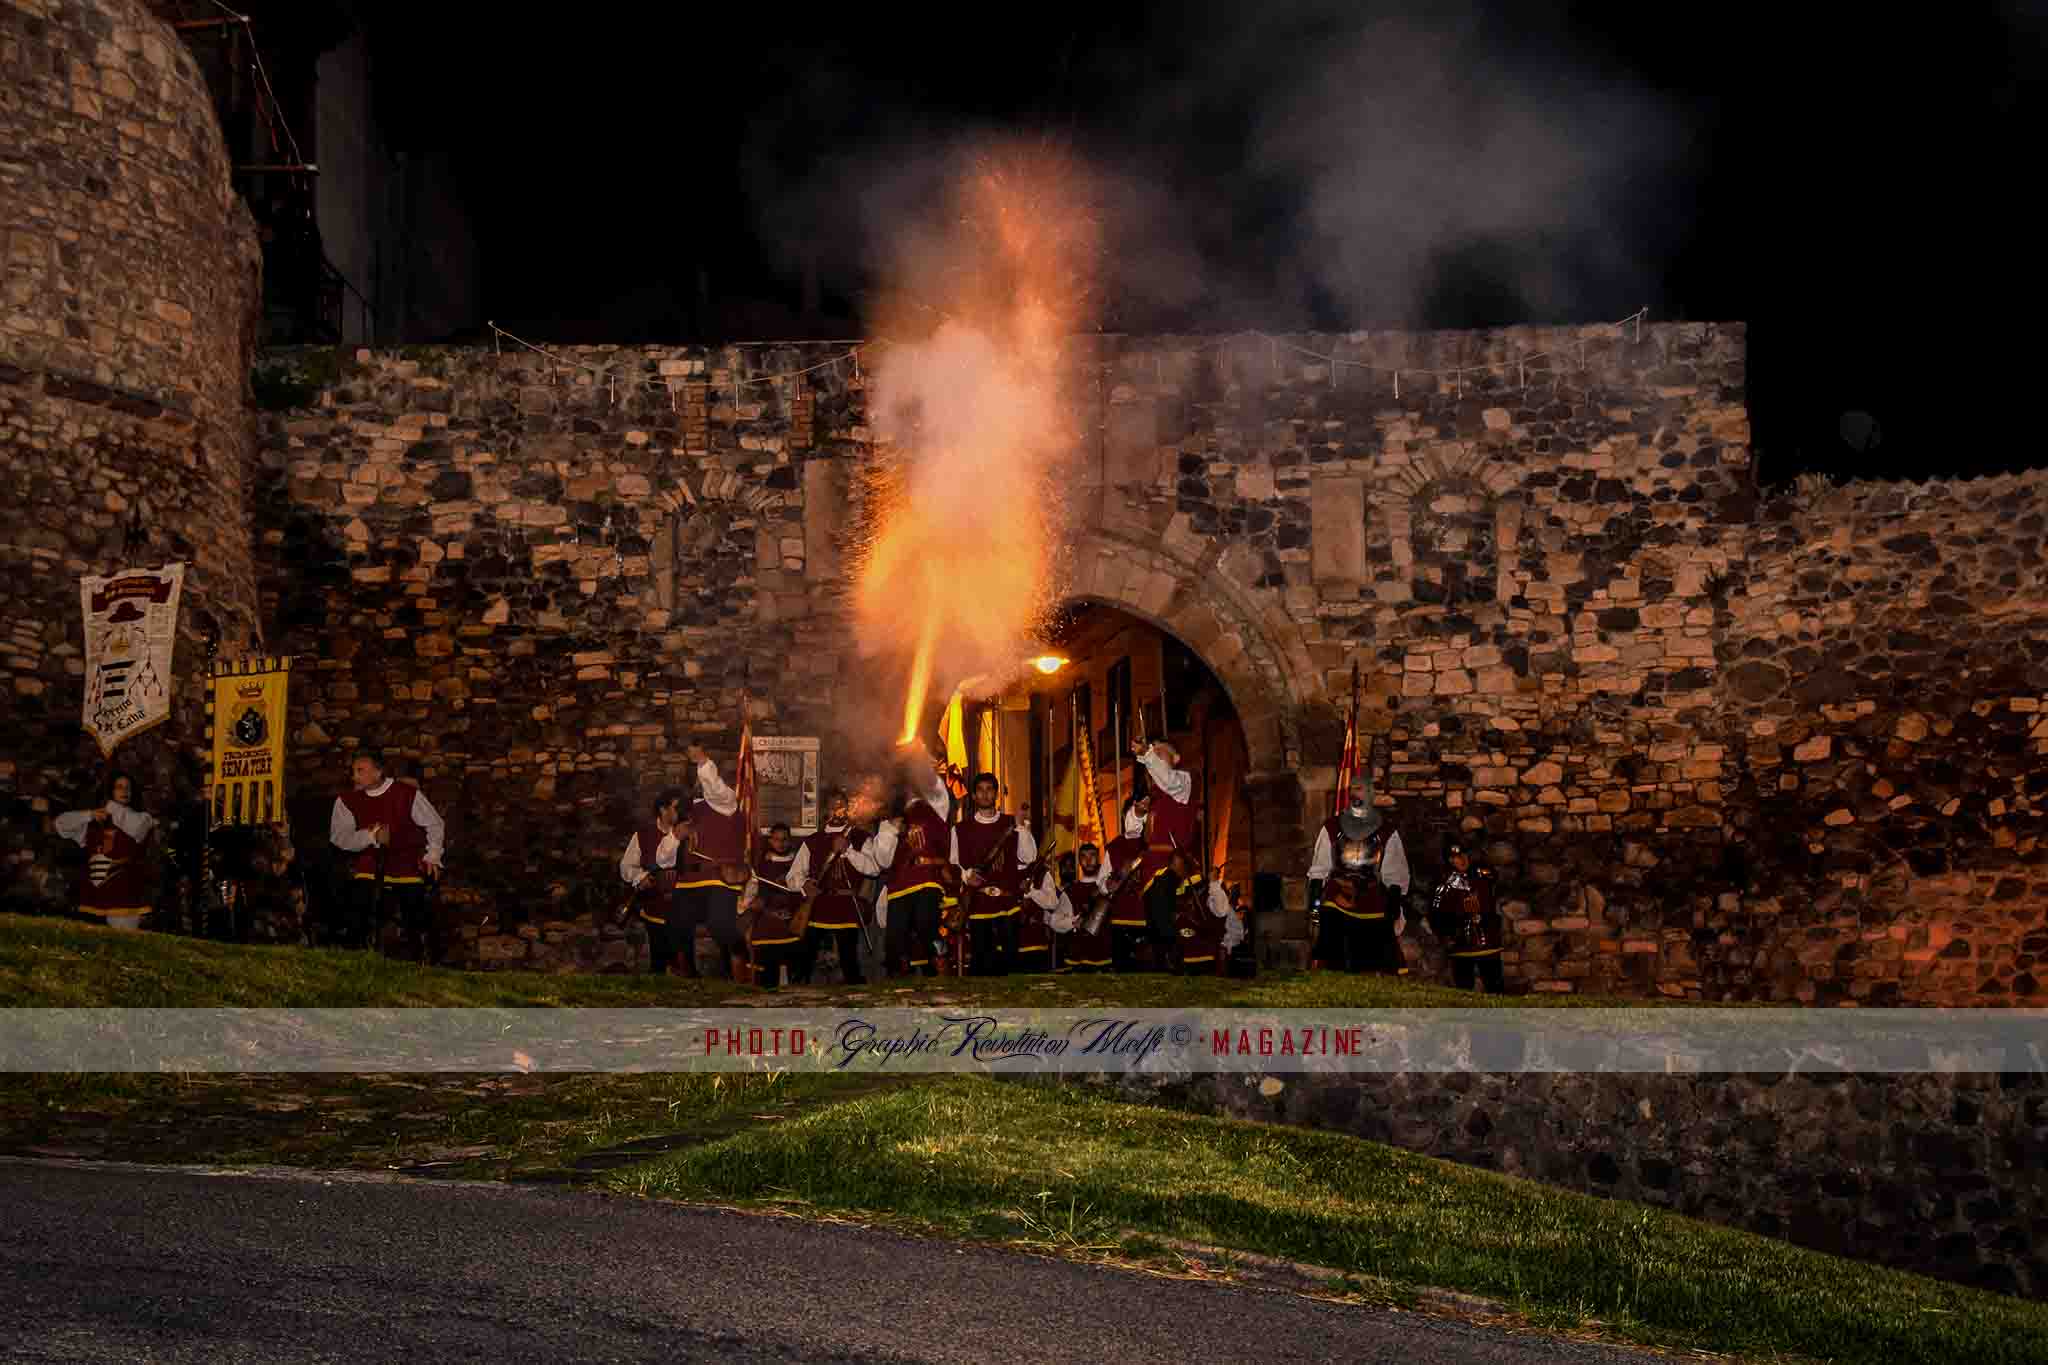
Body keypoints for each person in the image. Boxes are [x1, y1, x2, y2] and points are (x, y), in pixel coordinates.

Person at [329, 749, 446, 962]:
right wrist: (370, 836)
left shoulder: (406, 794)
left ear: (378, 771)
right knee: (360, 915)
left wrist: (433, 856)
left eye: (360, 770)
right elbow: (339, 837)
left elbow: (435, 824)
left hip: (406, 865)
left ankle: (420, 963)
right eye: (353, 771)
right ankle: (359, 960)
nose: (354, 776)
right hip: (369, 866)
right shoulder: (347, 800)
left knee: (414, 919)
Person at [845, 751, 951, 977]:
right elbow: (883, 861)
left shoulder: (935, 807)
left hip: (927, 880)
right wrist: (893, 828)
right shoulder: (887, 824)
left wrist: (918, 755)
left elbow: (938, 790)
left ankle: (940, 967)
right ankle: (898, 981)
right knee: (895, 938)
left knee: (927, 928)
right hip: (898, 888)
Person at [1306, 771, 1410, 974]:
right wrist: (1314, 898)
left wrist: (1394, 900)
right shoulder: (1332, 827)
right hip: (1337, 897)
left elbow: (1395, 874)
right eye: (1352, 788)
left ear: (1371, 793)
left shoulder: (1386, 832)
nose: (1356, 793)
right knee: (1332, 956)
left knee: (1373, 962)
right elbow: (1320, 867)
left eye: (1360, 789)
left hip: (1371, 897)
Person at [675, 742, 749, 979]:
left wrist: (703, 762)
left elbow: (713, 788)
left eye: (698, 776)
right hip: (689, 880)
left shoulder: (725, 800)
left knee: (720, 926)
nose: (696, 782)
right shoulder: (685, 812)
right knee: (679, 923)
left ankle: (741, 956)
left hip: (719, 878)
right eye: (693, 777)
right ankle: (690, 976)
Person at [951, 773, 1036, 977]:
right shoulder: (960, 829)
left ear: (996, 794)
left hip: (1008, 903)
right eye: (980, 790)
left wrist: (1020, 827)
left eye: (989, 789)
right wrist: (965, 876)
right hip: (978, 903)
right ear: (973, 795)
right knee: (982, 964)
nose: (985, 794)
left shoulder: (1011, 823)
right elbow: (953, 863)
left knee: (1010, 963)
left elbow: (1029, 857)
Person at [53, 772, 156, 929]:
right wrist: (89, 815)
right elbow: (61, 825)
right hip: (94, 895)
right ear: (110, 791)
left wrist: (110, 807)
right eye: (119, 787)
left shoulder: (143, 818)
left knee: (123, 943)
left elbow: (135, 828)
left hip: (125, 894)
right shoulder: (95, 822)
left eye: (128, 788)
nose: (125, 791)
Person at [1131, 739, 1199, 969]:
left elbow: (1168, 780)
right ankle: (1161, 967)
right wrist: (1138, 814)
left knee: (1166, 920)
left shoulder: (1182, 781)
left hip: (1171, 864)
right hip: (1152, 867)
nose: (1156, 756)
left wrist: (1146, 755)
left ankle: (1177, 960)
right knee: (1154, 924)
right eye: (1154, 753)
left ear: (1176, 758)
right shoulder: (1155, 795)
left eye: (1162, 753)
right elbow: (1132, 833)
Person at [794, 789, 869, 985]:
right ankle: (796, 994)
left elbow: (872, 868)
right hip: (818, 905)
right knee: (804, 957)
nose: (837, 810)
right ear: (826, 810)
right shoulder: (812, 840)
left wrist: (849, 850)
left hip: (847, 905)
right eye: (833, 806)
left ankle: (855, 999)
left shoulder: (860, 837)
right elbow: (793, 876)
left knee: (849, 959)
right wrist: (804, 884)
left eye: (841, 805)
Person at [1427, 834, 1507, 993]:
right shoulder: (1443, 886)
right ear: (1449, 860)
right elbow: (1436, 916)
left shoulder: (1483, 874)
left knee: (1496, 987)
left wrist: (1487, 919)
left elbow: (1494, 890)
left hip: (1488, 941)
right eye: (1455, 857)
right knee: (1464, 990)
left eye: (1463, 854)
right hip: (1461, 944)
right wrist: (1451, 931)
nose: (1462, 859)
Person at [619, 788, 684, 974]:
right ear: (663, 810)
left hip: (682, 905)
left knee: (681, 959)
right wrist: (641, 877)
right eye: (677, 807)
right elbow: (626, 867)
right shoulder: (643, 834)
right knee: (659, 961)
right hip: (654, 904)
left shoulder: (687, 833)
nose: (682, 812)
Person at [737, 822, 805, 990]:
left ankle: (795, 984)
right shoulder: (761, 864)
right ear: (770, 841)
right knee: (766, 934)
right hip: (767, 911)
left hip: (792, 911)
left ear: (789, 841)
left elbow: (800, 890)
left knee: (797, 935)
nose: (781, 843)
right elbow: (755, 891)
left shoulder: (798, 861)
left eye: (784, 839)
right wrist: (764, 907)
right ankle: (767, 985)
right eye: (776, 839)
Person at [1045, 844, 1113, 972]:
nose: (1088, 861)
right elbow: (1054, 921)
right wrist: (1073, 923)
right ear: (1079, 861)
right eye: (1083, 857)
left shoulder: (1108, 887)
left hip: (1106, 955)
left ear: (1099, 858)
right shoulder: (1071, 891)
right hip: (1078, 958)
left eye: (1092, 855)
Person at [1103, 798, 1151, 971]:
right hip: (1120, 920)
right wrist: (1108, 884)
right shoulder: (1114, 847)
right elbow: (1102, 881)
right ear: (1125, 815)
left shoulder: (1151, 845)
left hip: (1147, 920)